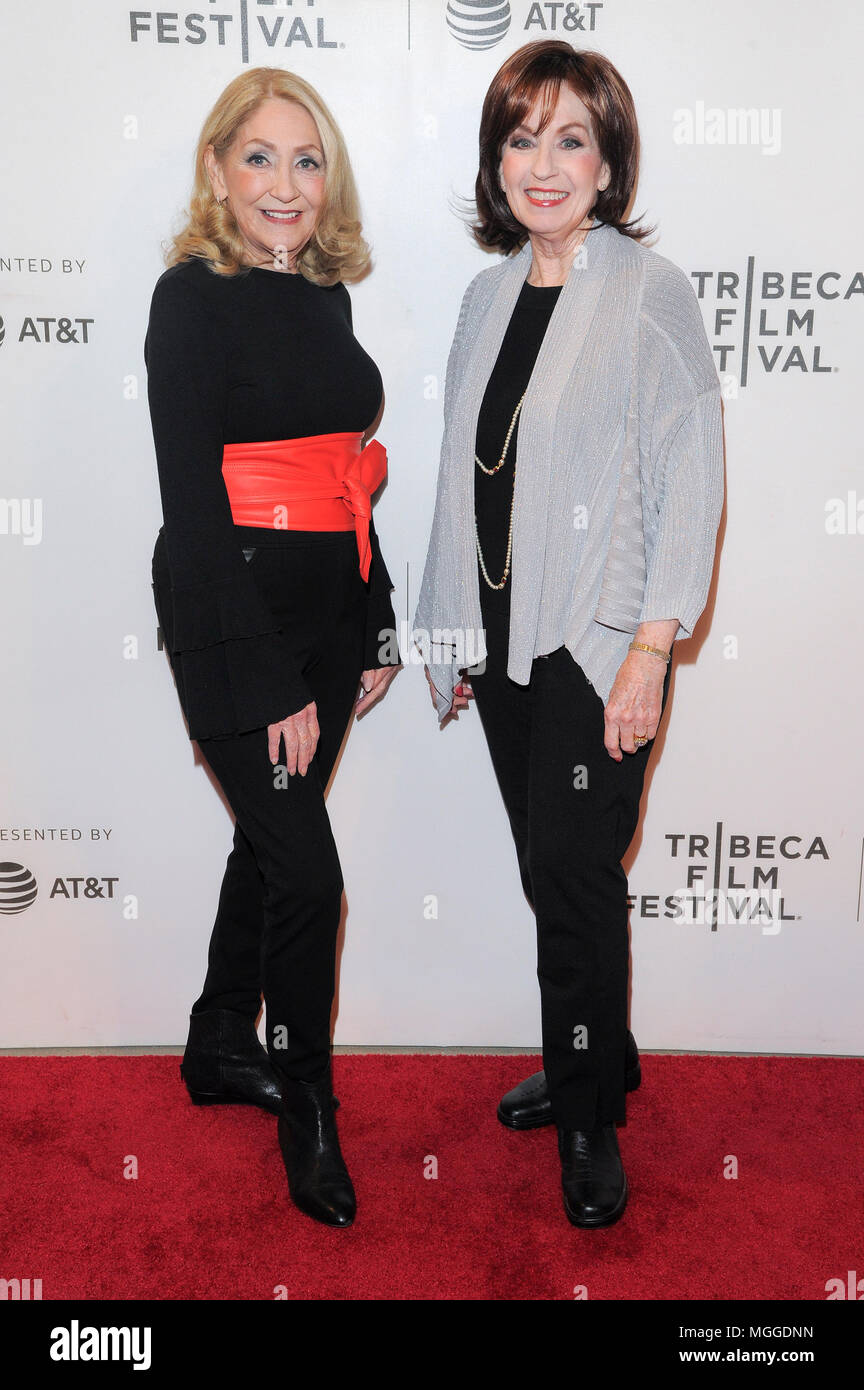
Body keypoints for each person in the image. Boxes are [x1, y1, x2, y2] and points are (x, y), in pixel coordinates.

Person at [413, 40, 724, 1228]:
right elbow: (461, 473)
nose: (544, 164)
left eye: (570, 139)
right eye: (521, 138)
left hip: (598, 644)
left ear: (608, 163)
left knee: (576, 882)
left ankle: (591, 1116)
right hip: (504, 645)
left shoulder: (650, 293)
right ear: (498, 163)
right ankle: (601, 1050)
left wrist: (652, 649)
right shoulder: (485, 295)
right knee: (563, 880)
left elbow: (689, 474)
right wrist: (448, 625)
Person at [146, 67, 400, 1228]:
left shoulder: (325, 295)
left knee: (266, 846)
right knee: (312, 873)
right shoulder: (187, 299)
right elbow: (195, 507)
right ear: (216, 170)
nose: (285, 184)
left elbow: (349, 473)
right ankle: (307, 1096)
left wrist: (378, 615)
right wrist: (258, 679)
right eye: (259, 157)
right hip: (232, 617)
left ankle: (214, 1041)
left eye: (307, 160)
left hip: (330, 616)